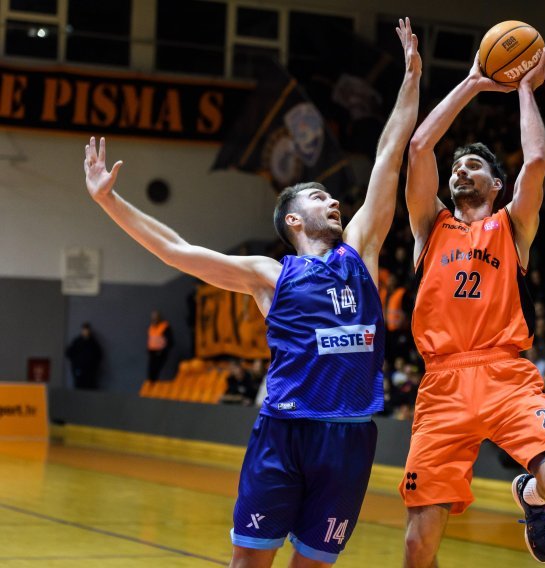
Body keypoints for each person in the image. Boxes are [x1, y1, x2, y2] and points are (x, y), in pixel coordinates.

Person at [83, 18, 421, 568]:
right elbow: (176, 250)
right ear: (293, 218)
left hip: (351, 436)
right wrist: (110, 203)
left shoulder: (361, 249)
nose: (334, 201)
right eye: (319, 196)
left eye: (334, 197)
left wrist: (409, 82)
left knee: (312, 564)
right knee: (249, 564)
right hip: (284, 432)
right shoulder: (270, 273)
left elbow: (388, 156)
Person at [400, 46, 545, 567]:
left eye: (475, 165)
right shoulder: (429, 226)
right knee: (418, 545)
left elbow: (536, 160)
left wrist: (525, 88)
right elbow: (419, 147)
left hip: (508, 375)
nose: (461, 171)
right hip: (442, 385)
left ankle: (530, 494)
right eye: (458, 166)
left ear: (496, 184)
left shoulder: (512, 225)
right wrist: (474, 82)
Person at [65, 322, 103, 390]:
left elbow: (99, 356)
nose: (86, 331)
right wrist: (76, 362)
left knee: (89, 389)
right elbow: (68, 353)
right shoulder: (77, 342)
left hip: (90, 373)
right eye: (84, 329)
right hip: (79, 370)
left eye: (87, 330)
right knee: (79, 388)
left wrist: (94, 366)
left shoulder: (93, 343)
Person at [147, 310, 173, 382]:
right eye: (153, 318)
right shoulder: (151, 327)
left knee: (157, 367)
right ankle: (151, 382)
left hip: (161, 352)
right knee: (151, 368)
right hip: (152, 352)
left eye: (156, 317)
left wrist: (165, 349)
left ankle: (155, 381)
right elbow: (151, 339)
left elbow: (169, 340)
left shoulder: (164, 327)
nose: (154, 319)